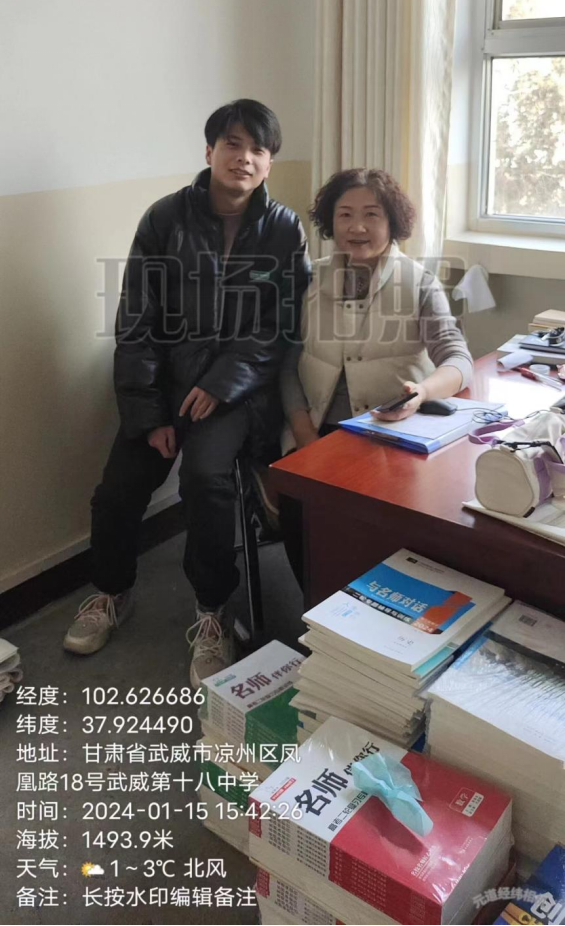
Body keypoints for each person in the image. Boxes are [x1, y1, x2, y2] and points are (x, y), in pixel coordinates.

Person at [63, 99, 310, 686]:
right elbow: (137, 320)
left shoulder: (283, 229)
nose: (243, 157)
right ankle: (111, 591)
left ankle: (212, 611)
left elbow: (281, 325)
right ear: (209, 151)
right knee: (119, 488)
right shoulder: (165, 218)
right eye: (232, 144)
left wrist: (221, 383)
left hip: (236, 391)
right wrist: (150, 413)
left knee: (205, 479)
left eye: (257, 149)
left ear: (269, 163)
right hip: (165, 383)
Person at [279, 167, 473, 586]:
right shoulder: (309, 279)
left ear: (393, 222)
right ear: (330, 221)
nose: (358, 227)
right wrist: (303, 432)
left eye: (372, 214)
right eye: (345, 214)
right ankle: (315, 605)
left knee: (383, 539)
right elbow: (287, 362)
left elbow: (458, 360)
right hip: (317, 430)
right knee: (303, 524)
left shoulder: (419, 282)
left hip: (392, 438)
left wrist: (421, 392)